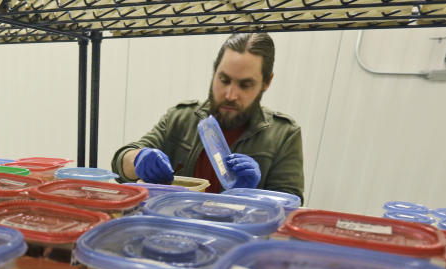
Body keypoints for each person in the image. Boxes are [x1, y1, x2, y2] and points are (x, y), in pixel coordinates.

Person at [112, 33, 304, 201]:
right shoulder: (181, 118)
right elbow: (122, 161)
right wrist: (137, 159)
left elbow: (290, 206)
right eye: (224, 79)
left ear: (266, 82)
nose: (230, 94)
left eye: (245, 85)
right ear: (214, 72)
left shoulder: (284, 135)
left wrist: (250, 196)